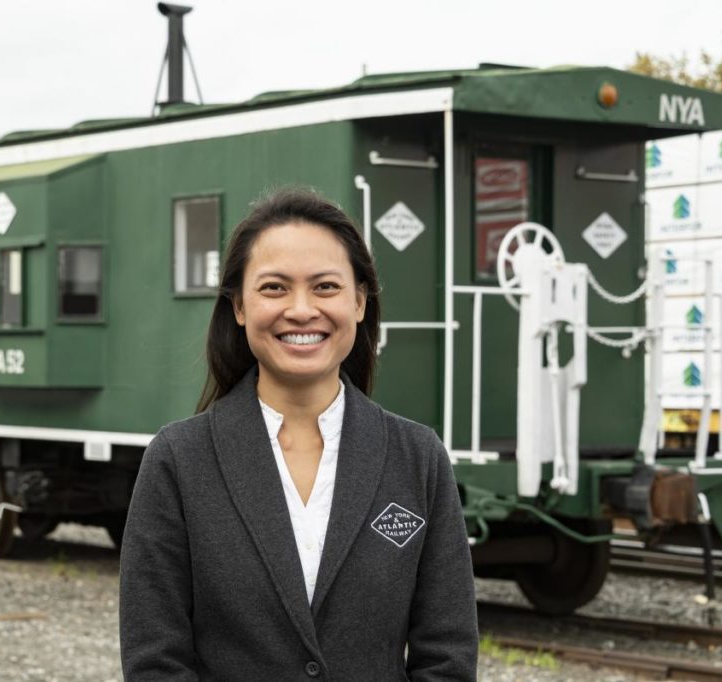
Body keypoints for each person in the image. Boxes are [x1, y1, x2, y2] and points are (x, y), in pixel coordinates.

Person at [119, 189, 478, 681]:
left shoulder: (418, 458)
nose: (302, 309)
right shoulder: (179, 461)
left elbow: (448, 657)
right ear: (239, 306)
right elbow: (155, 662)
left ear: (359, 301)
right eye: (274, 288)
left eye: (326, 286)